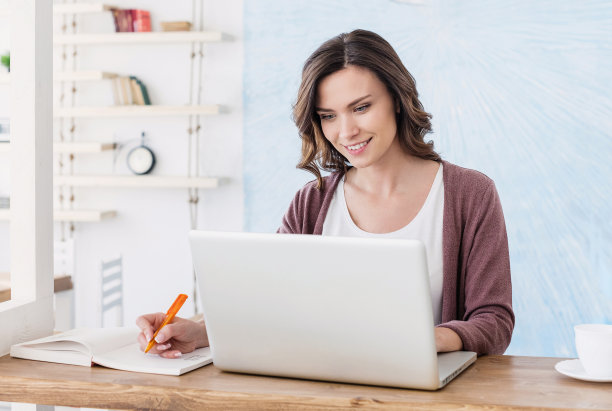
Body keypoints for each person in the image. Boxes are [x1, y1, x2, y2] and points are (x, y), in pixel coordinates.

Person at [136, 29, 514, 358]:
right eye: (328, 115)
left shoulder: (469, 194)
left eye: (361, 107)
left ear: (397, 100)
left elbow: (494, 322)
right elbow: (272, 302)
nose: (346, 131)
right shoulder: (312, 201)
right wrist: (200, 333)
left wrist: (427, 340)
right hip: (327, 390)